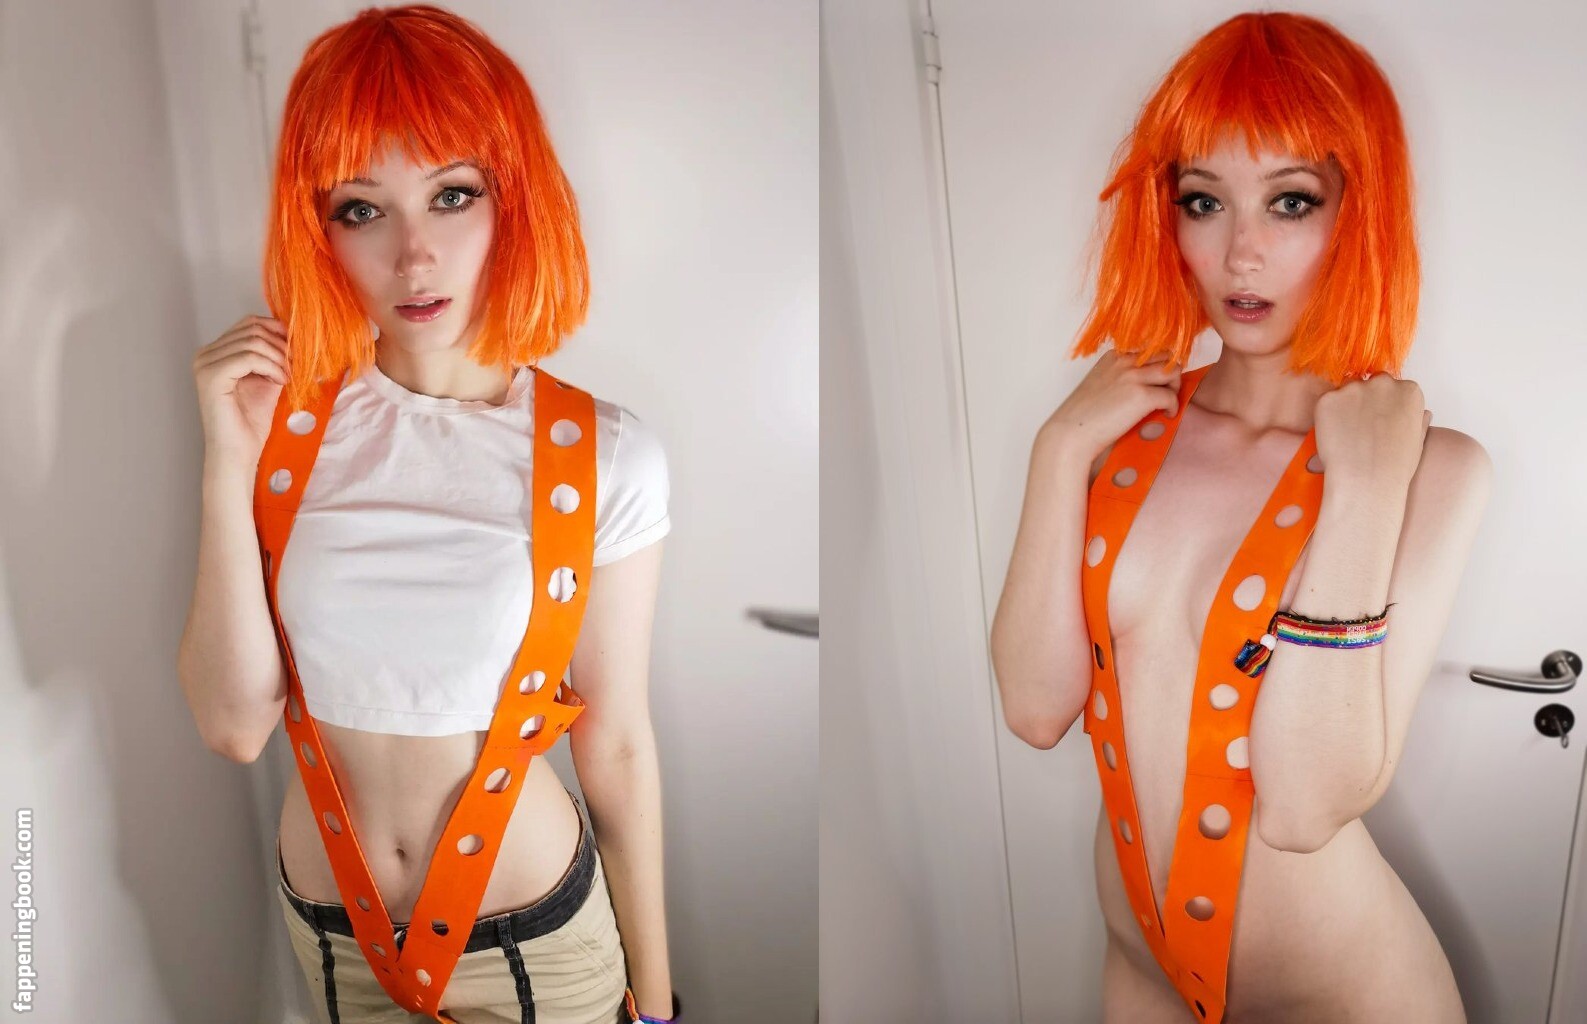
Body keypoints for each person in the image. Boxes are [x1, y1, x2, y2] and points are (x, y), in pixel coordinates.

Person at [177, 6, 679, 1022]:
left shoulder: (604, 454)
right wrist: (226, 462)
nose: (413, 256)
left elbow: (618, 743)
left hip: (536, 947)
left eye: (452, 194)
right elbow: (232, 726)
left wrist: (659, 1003)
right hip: (334, 938)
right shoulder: (282, 434)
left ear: (514, 200)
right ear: (318, 231)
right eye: (361, 209)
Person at [989, 12, 1490, 1023]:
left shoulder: (1432, 471)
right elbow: (1037, 710)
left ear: (1359, 214)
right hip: (1141, 975)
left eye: (1290, 201)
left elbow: (1302, 806)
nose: (1240, 252)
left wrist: (1362, 490)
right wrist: (1057, 451)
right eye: (1204, 201)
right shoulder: (1116, 434)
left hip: (1345, 998)